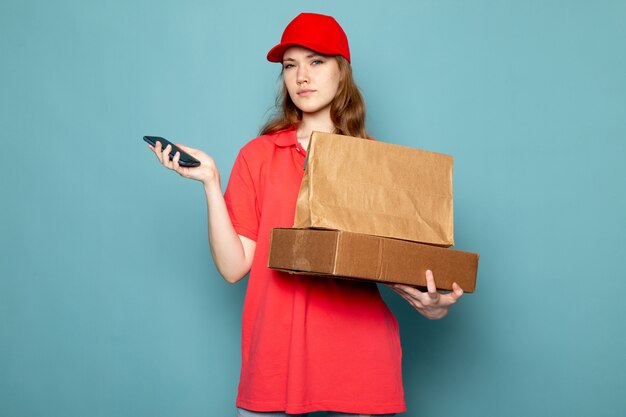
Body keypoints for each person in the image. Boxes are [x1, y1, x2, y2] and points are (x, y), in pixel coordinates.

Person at [148, 12, 464, 417]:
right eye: (290, 66)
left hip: (360, 373)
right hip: (274, 371)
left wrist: (433, 304)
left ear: (341, 73)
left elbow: (403, 267)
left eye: (316, 62)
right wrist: (211, 183)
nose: (301, 77)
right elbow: (233, 268)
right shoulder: (258, 156)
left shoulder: (378, 163)